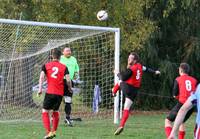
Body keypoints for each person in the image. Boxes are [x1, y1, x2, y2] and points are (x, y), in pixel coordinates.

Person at [112, 52, 161, 135]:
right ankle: (121, 125)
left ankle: (113, 91)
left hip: (128, 89)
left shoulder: (132, 69)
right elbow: (147, 69)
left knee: (120, 81)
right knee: (126, 108)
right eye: (128, 57)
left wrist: (117, 73)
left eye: (130, 58)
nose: (128, 59)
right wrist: (155, 72)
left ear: (135, 60)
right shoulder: (140, 66)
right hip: (134, 91)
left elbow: (123, 77)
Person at [37, 48, 72, 139]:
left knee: (45, 111)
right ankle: (54, 131)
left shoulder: (46, 65)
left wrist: (40, 89)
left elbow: (41, 77)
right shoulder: (64, 67)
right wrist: (69, 88)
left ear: (52, 56)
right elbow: (68, 80)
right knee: (55, 111)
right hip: (59, 94)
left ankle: (49, 132)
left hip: (50, 92)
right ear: (60, 57)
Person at [164, 63, 197, 139]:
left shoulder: (178, 79)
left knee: (167, 121)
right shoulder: (194, 80)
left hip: (182, 104)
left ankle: (171, 137)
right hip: (192, 105)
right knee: (181, 121)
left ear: (180, 70)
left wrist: (178, 97)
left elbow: (175, 94)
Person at [60, 47, 80, 126]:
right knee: (57, 100)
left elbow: (76, 69)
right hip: (60, 81)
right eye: (67, 51)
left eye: (70, 51)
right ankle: (53, 117)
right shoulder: (60, 58)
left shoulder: (74, 59)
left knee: (68, 100)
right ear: (63, 52)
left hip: (69, 82)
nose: (69, 52)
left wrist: (76, 74)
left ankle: (67, 117)